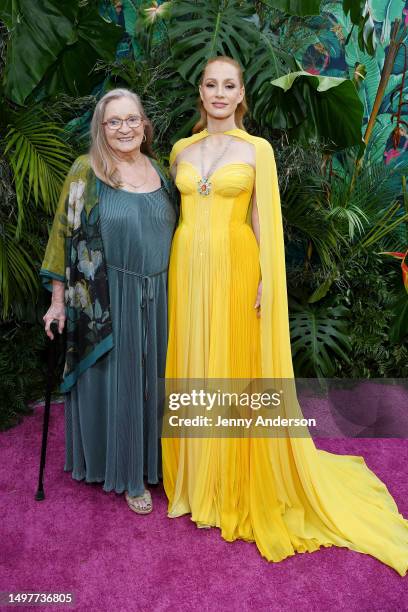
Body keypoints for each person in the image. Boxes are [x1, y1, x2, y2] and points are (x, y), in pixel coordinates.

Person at [161, 56, 408, 575]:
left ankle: (230, 478)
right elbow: (177, 215)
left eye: (229, 85)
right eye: (211, 85)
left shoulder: (257, 150)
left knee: (234, 369)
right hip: (186, 274)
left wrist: (267, 281)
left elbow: (265, 221)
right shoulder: (181, 149)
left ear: (241, 93)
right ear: (201, 92)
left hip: (236, 269)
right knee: (196, 365)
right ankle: (196, 473)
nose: (220, 93)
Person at [41, 88, 176, 514]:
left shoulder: (162, 171)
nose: (124, 128)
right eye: (114, 121)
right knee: (117, 381)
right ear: (101, 128)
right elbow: (64, 237)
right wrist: (58, 301)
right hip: (106, 295)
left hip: (161, 296)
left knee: (156, 381)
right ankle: (126, 473)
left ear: (145, 125)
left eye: (132, 119)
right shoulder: (87, 171)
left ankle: (158, 466)